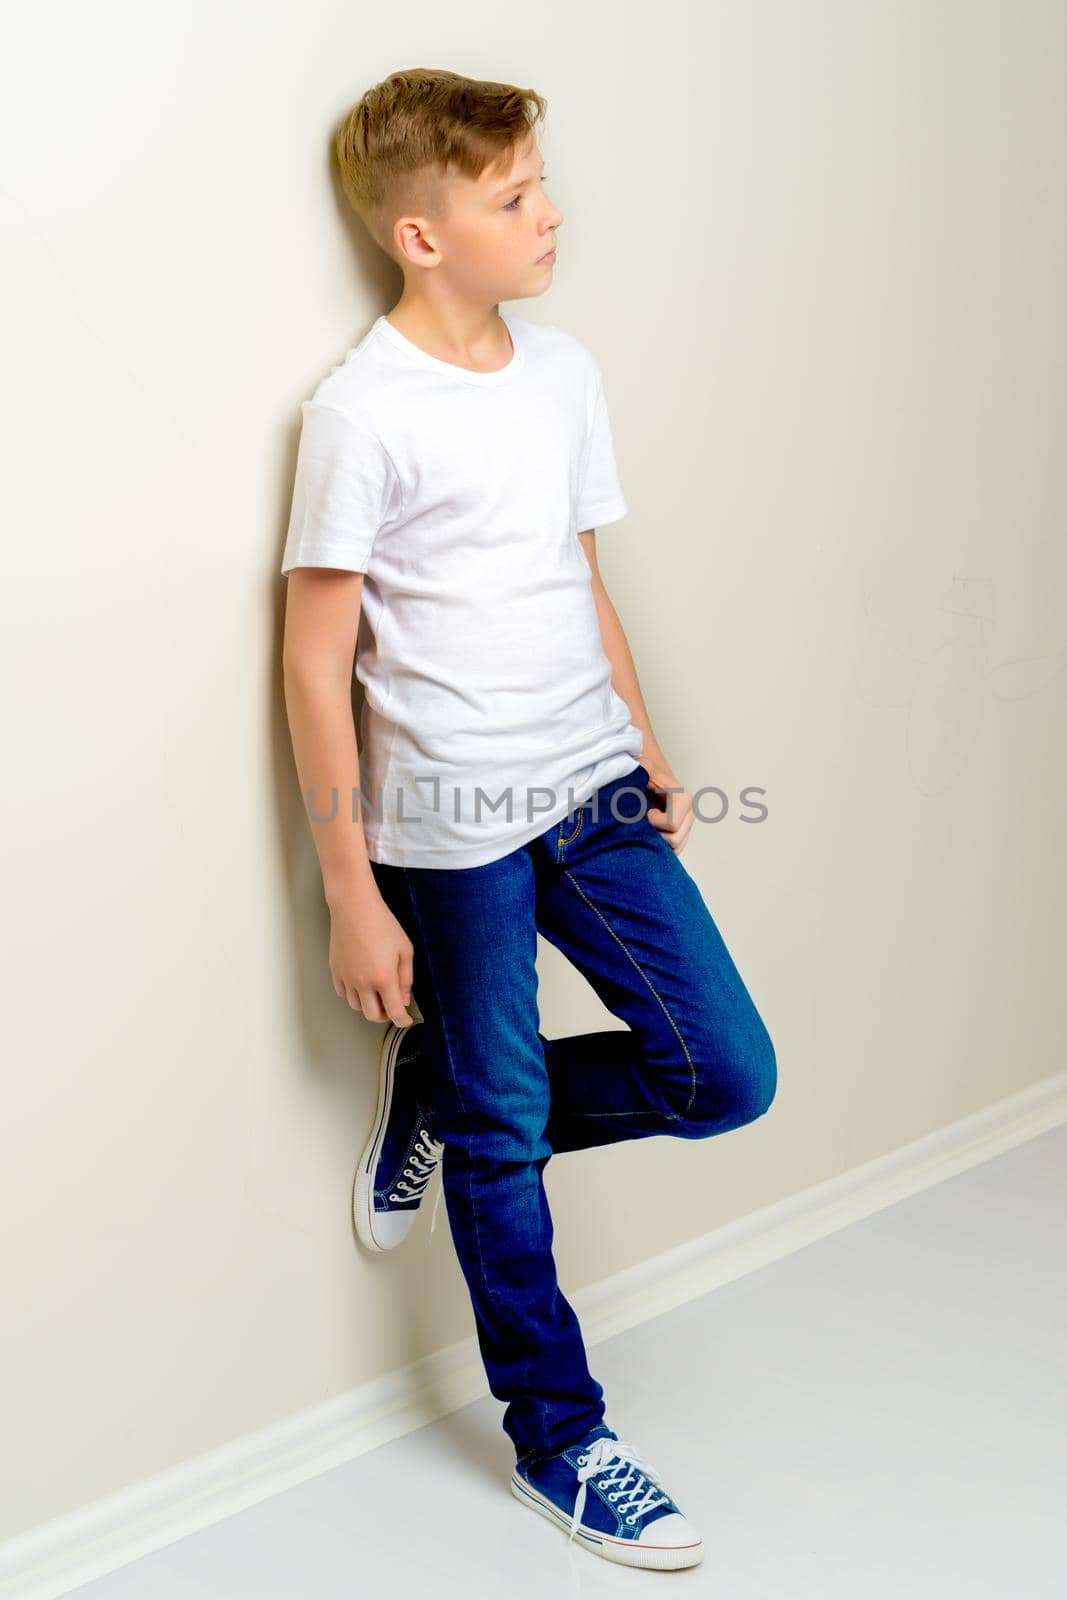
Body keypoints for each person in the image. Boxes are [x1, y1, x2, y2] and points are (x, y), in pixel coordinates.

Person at [280, 66, 777, 1572]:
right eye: (513, 197)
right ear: (423, 235)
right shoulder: (360, 414)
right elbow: (314, 662)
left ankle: (443, 1096)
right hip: (451, 830)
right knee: (509, 1139)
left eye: (540, 181)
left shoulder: (563, 375)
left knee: (724, 1072)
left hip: (594, 788)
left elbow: (577, 574)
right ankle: (561, 1439)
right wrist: (352, 893)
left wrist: (645, 736)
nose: (550, 211)